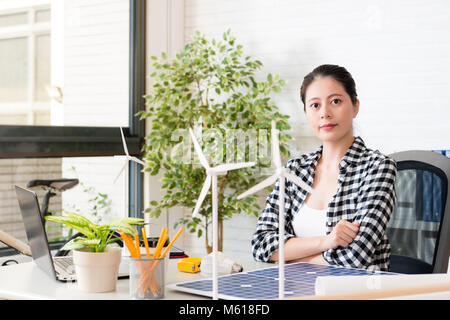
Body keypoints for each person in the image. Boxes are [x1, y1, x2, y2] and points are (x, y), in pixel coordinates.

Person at [251, 64, 397, 271]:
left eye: (335, 101)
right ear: (306, 112)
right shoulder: (294, 170)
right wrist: (327, 241)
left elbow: (356, 257)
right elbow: (261, 244)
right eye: (315, 105)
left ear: (355, 106)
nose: (325, 113)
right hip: (295, 290)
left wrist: (289, 257)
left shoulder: (377, 168)